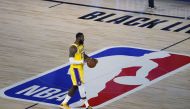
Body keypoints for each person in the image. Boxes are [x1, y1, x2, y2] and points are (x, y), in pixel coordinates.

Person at [60, 32, 95, 109]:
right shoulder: (73, 48)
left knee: (75, 86)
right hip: (75, 70)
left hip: (80, 69)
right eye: (82, 38)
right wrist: (81, 62)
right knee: (81, 87)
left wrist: (90, 59)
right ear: (78, 38)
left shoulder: (81, 46)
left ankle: (64, 103)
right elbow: (71, 61)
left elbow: (83, 55)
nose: (84, 39)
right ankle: (87, 105)